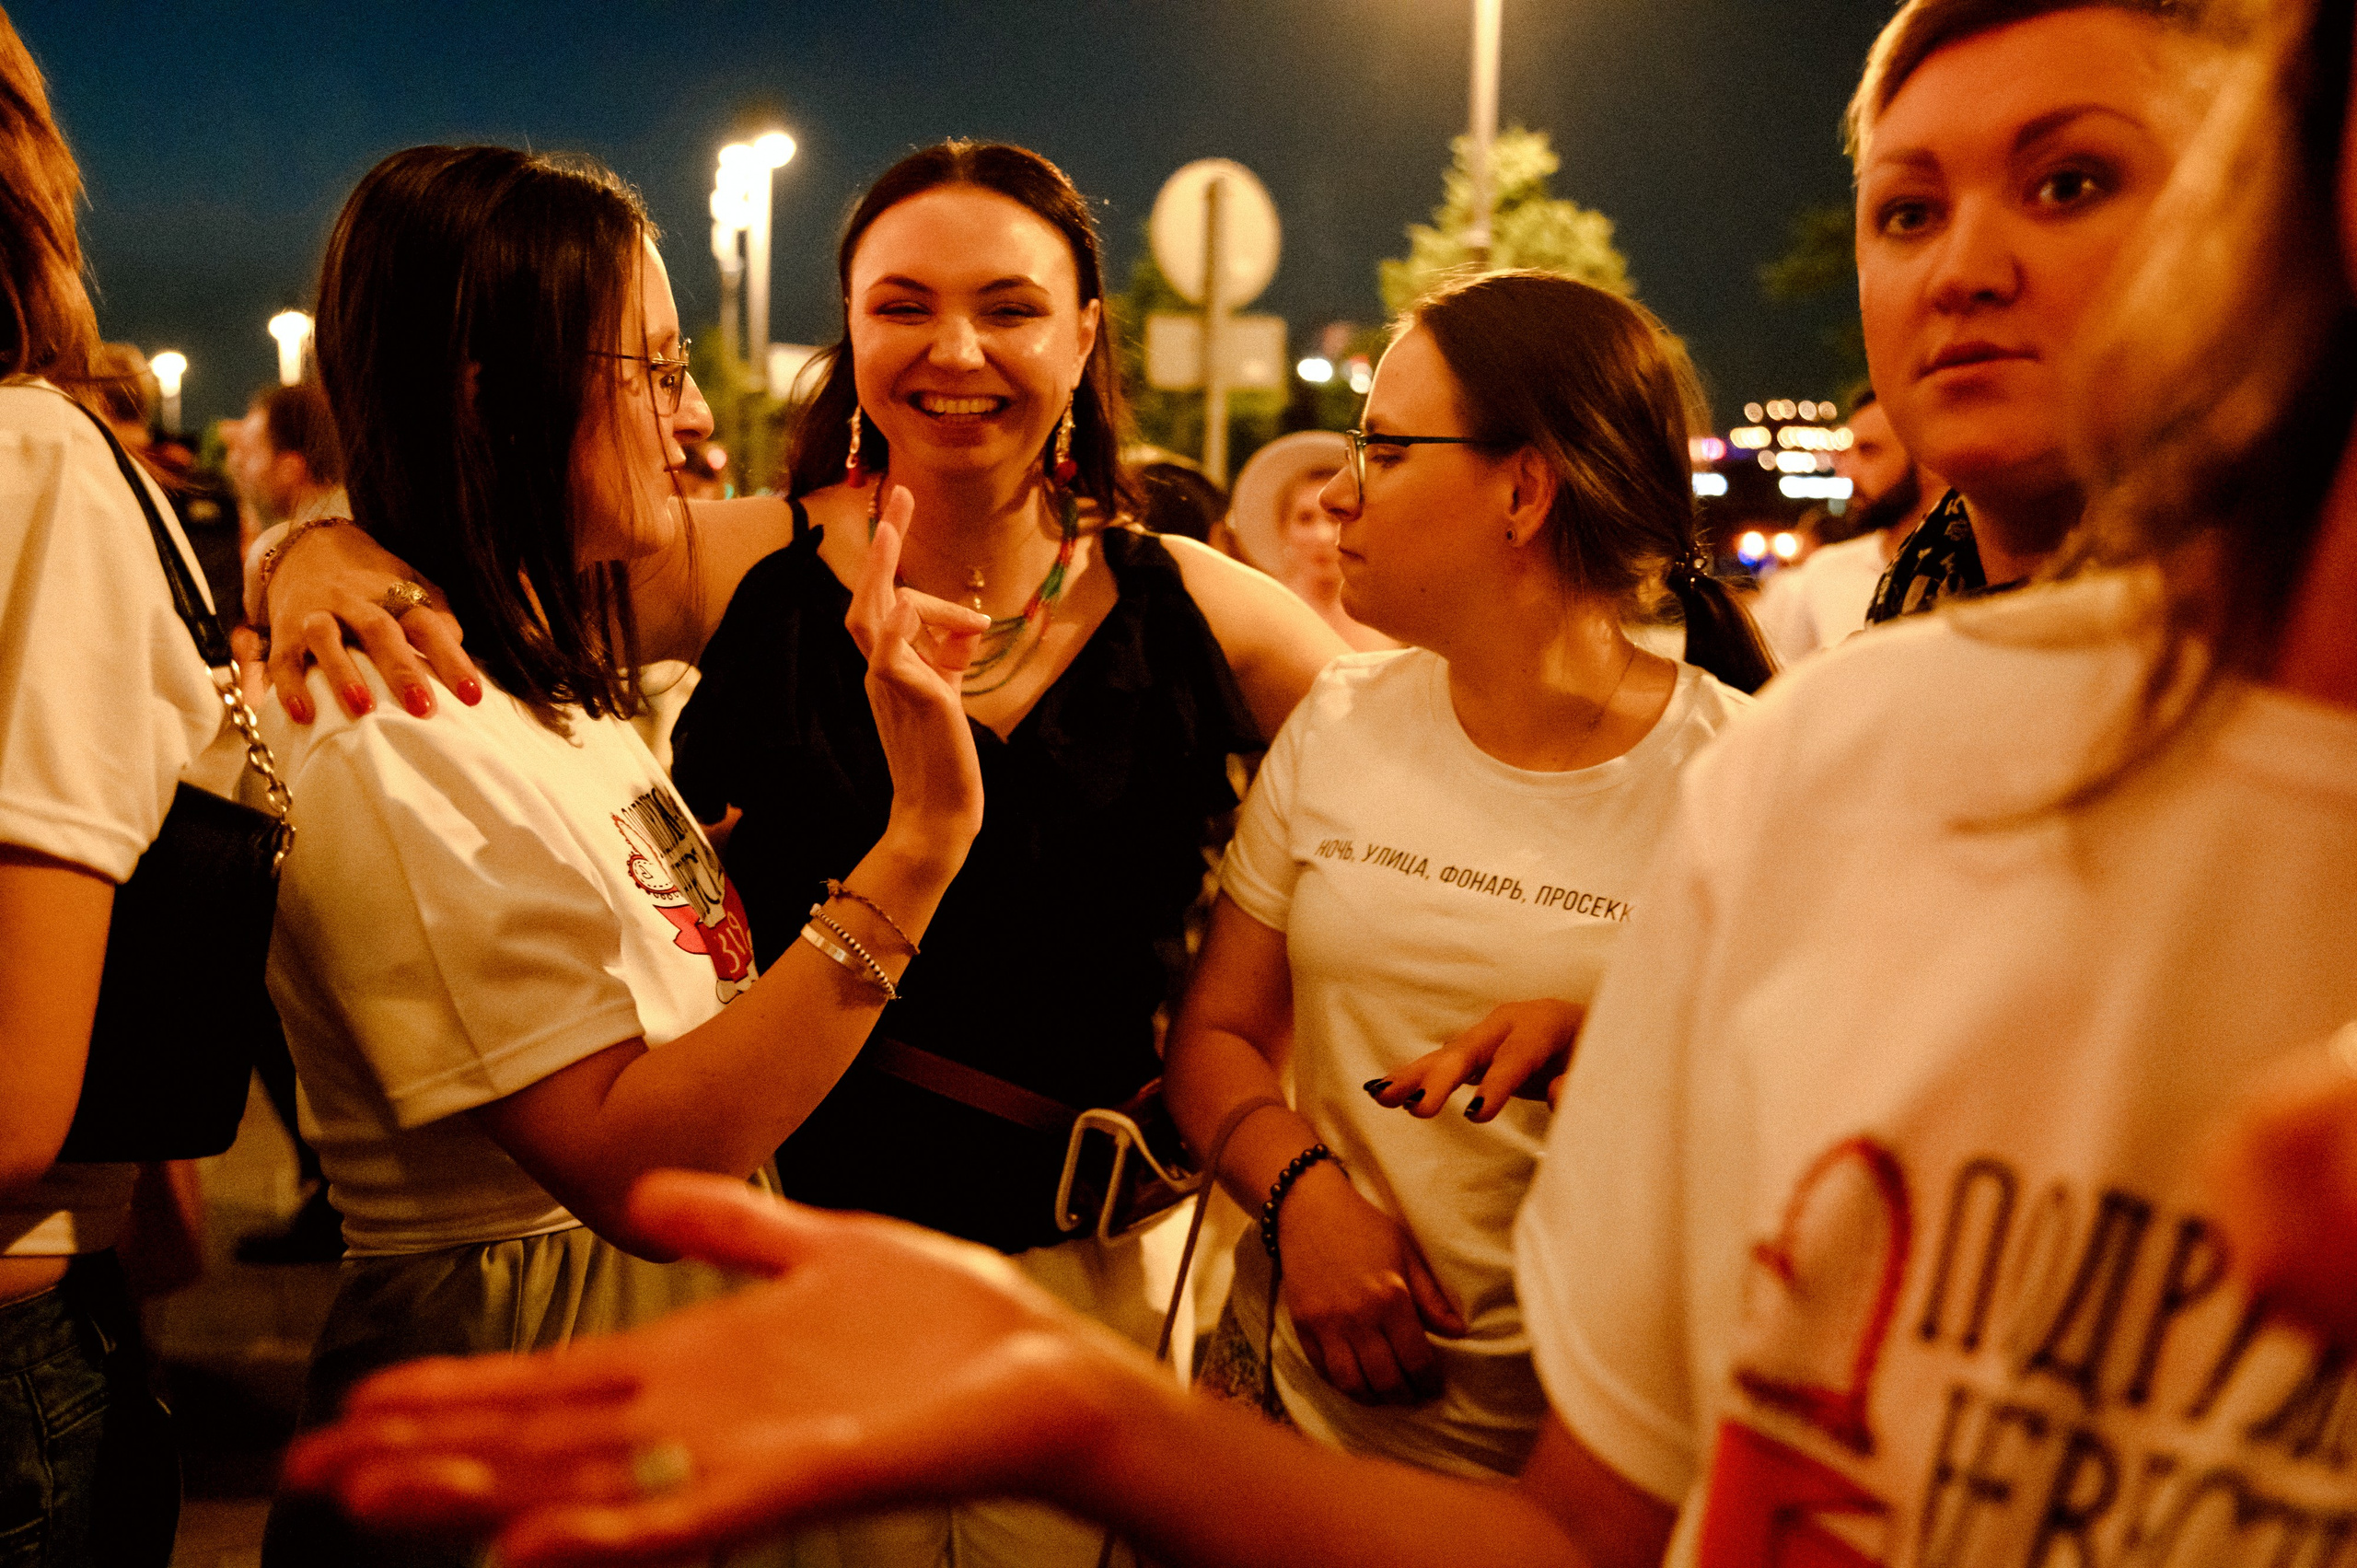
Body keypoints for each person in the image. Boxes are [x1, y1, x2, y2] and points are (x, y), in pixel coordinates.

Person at [282, 0, 2357, 1565]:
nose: (952, 348)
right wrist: (314, 550)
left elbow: (1467, 727)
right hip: (785, 1242)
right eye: (899, 302)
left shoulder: (1206, 608)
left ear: (1088, 336)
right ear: (843, 328)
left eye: (1009, 304)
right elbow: (480, 560)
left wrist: (1632, 943)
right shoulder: (740, 554)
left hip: (1085, 1253)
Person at [250, 144, 986, 1568]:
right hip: (532, 1385)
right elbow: (642, 1165)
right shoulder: (391, 710)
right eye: (650, 369)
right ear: (486, 389)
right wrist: (921, 846)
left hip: (643, 1361)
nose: (697, 419)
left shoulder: (540, 669)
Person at [1167, 272, 1766, 1481]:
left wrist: (1616, 1045)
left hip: (1588, 1475)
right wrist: (1304, 1193)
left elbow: (1809, 1139)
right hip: (1278, 1425)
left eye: (1383, 448)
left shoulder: (1750, 774)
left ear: (1525, 487)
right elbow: (1213, 1037)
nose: (1336, 493)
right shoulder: (1337, 718)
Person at [1860, 0, 2225, 623]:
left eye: (2067, 185)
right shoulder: (1848, 699)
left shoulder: (2307, 685)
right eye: (1912, 214)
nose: (1960, 274)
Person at [1751, 390, 1941, 665]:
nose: (1847, 473)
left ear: (1930, 460)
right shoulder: (1826, 572)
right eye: (1846, 455)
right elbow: (1785, 688)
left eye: (1869, 452)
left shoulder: (1984, 567)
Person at [1225, 430, 1399, 653]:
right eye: (1305, 519)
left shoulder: (1390, 618)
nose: (1321, 536)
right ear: (1283, 528)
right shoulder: (1259, 614)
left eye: (1335, 518)